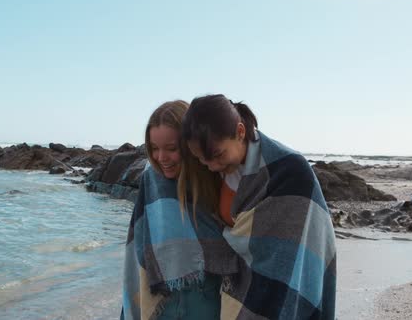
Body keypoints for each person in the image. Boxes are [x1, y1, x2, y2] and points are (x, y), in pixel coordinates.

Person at [179, 94, 337, 320]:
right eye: (202, 160)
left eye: (217, 155)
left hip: (284, 277)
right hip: (236, 283)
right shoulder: (211, 176)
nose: (212, 166)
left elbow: (302, 244)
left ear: (240, 132)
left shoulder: (289, 171)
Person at [121, 100, 238, 319]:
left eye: (172, 149)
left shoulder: (217, 175)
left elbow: (238, 237)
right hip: (164, 298)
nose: (161, 158)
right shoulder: (151, 179)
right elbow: (139, 240)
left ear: (190, 146)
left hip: (210, 297)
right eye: (154, 148)